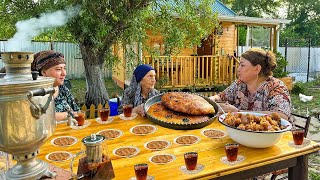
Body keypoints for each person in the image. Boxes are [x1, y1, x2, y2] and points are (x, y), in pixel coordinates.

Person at [210, 48, 291, 120]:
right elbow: (221, 97)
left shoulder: (275, 87)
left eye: (242, 65)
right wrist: (209, 100)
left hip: (275, 136)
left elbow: (282, 116)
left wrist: (239, 112)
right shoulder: (240, 84)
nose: (238, 69)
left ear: (257, 69)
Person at [31, 50, 80, 121]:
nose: (64, 73)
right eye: (58, 69)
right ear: (44, 72)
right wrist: (66, 115)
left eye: (64, 68)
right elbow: (38, 118)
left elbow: (77, 112)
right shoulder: (36, 93)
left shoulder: (63, 89)